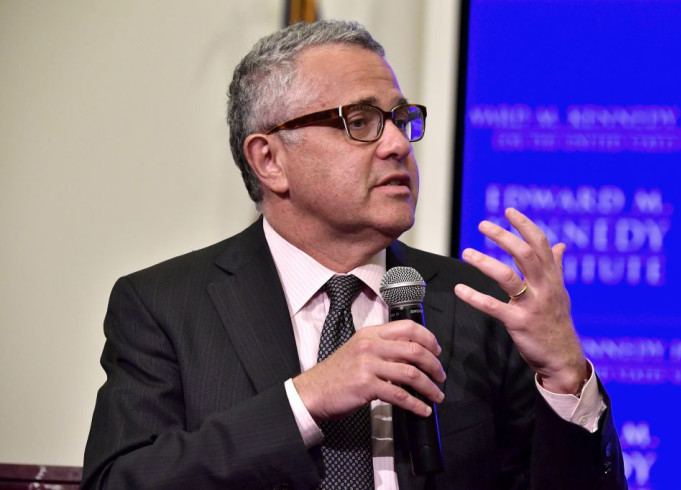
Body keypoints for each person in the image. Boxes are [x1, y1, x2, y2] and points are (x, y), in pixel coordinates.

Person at [82, 20, 626, 489]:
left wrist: (565, 376)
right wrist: (305, 401)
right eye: (360, 122)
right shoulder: (165, 306)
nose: (397, 144)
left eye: (400, 118)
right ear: (269, 159)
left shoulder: (481, 306)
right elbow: (121, 481)